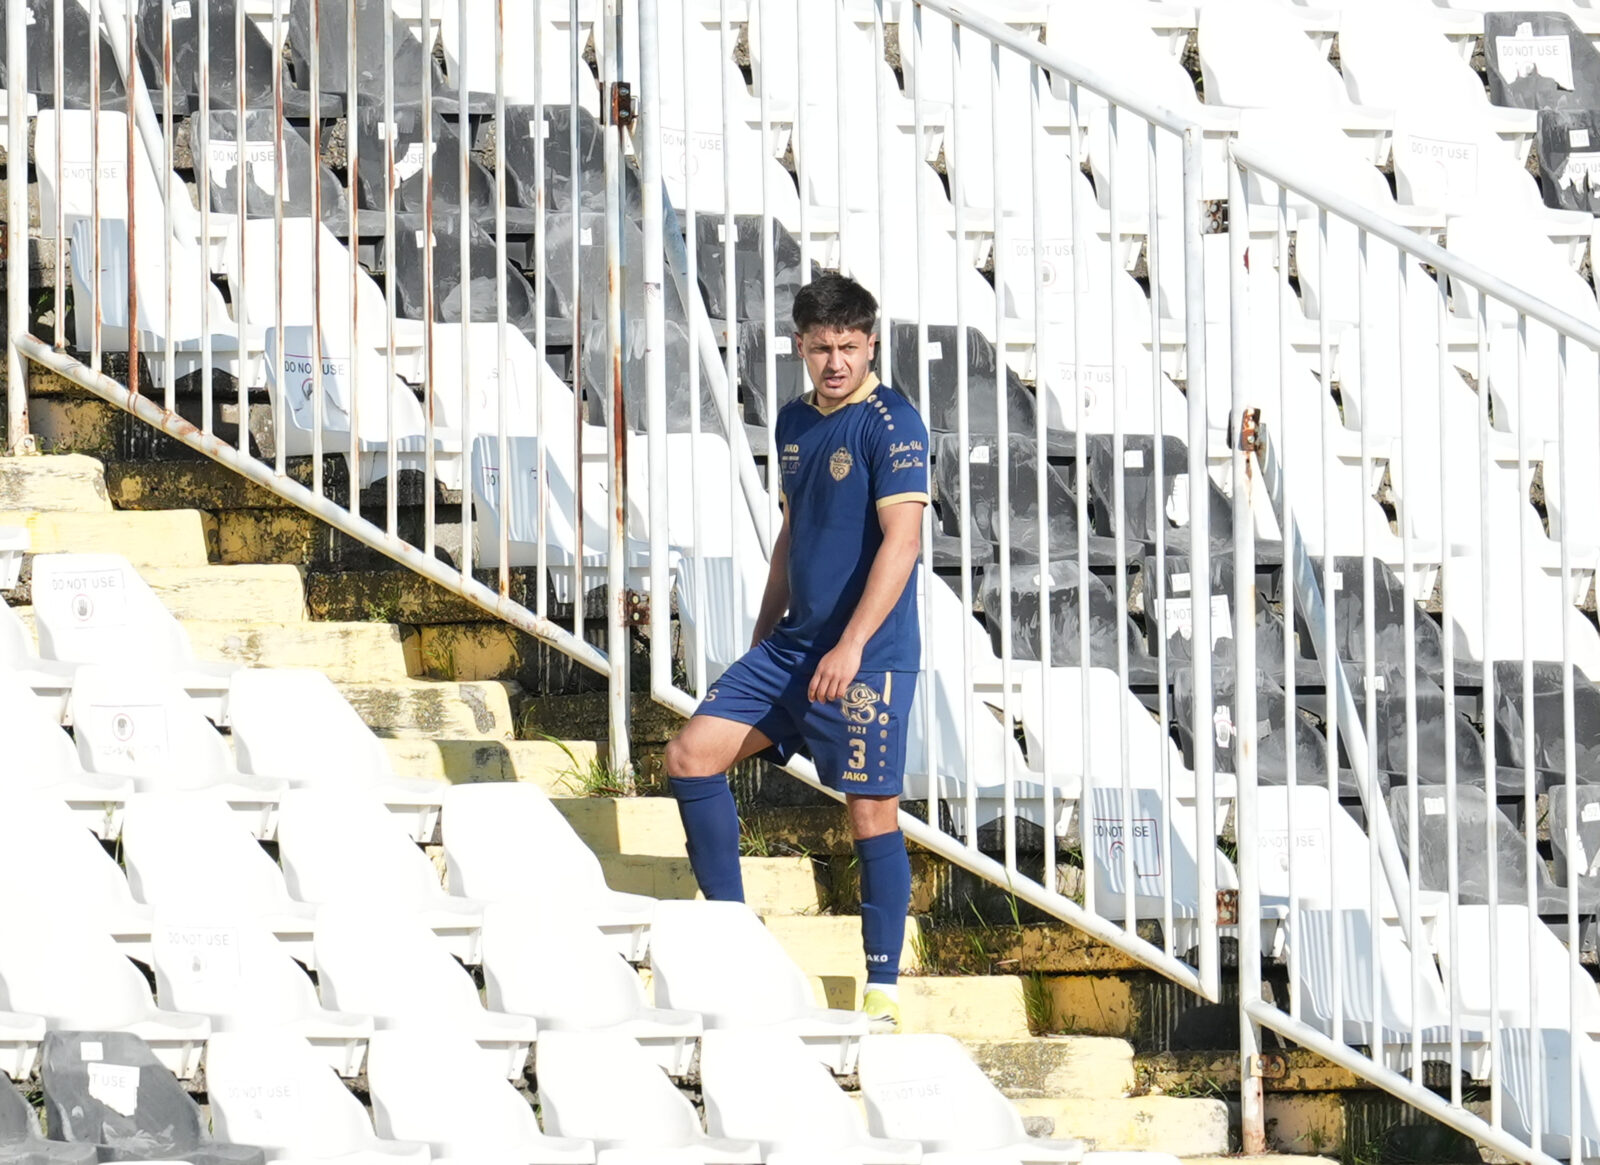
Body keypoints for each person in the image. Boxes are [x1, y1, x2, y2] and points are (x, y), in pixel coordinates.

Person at [662, 272, 928, 1032]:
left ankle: (883, 986)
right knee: (690, 755)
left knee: (870, 812)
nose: (835, 362)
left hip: (868, 656)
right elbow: (792, 533)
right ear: (800, 347)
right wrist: (762, 638)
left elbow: (903, 543)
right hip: (791, 648)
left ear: (870, 344)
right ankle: (735, 937)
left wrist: (850, 643)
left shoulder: (893, 423)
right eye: (820, 348)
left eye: (848, 347)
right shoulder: (792, 422)